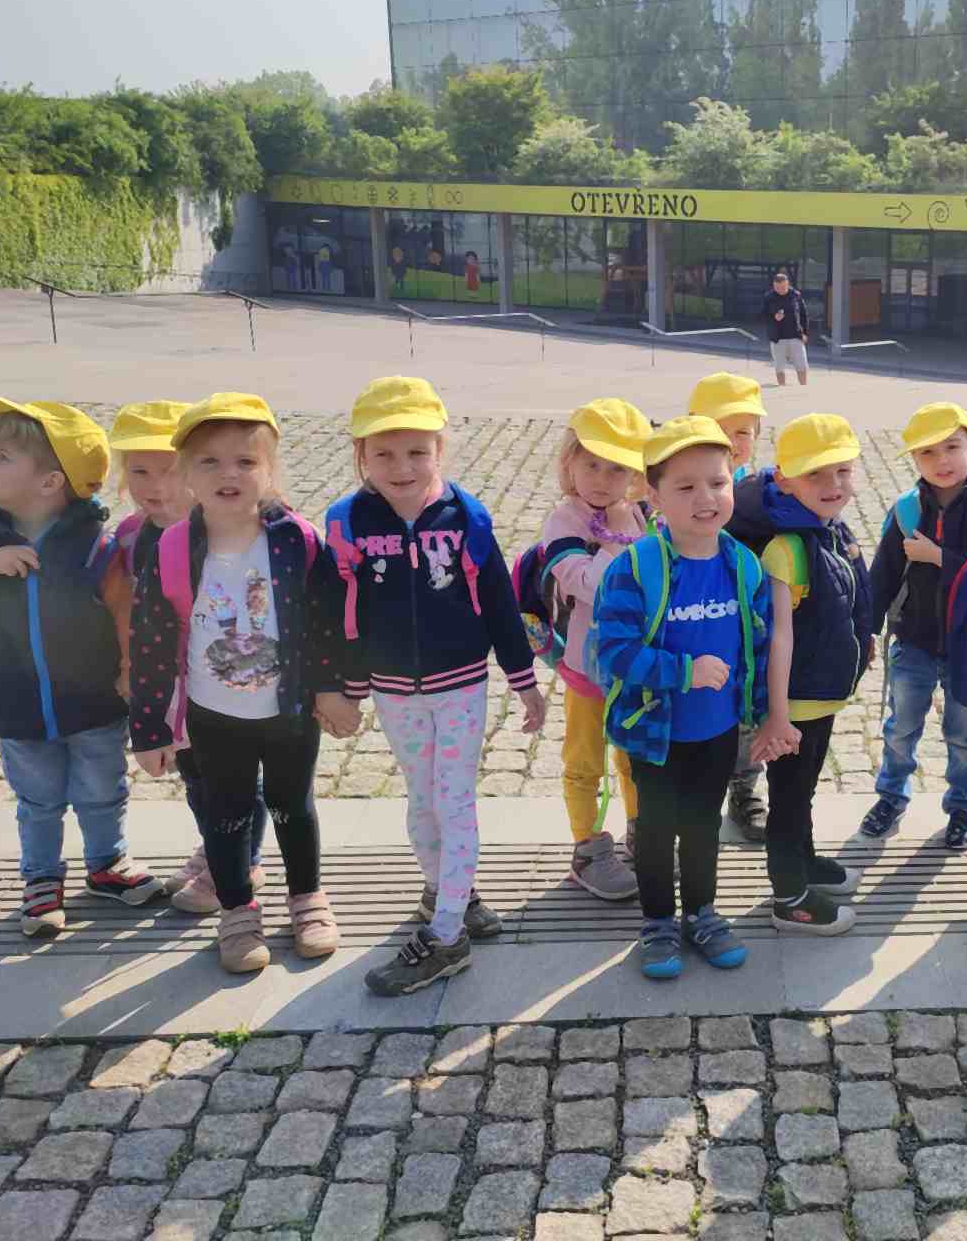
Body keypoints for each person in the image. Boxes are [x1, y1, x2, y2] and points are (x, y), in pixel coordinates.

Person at [321, 378, 546, 997]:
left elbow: (499, 601)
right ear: (362, 455)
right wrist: (343, 686)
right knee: (422, 801)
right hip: (393, 690)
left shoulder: (467, 519)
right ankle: (452, 892)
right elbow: (339, 611)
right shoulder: (347, 524)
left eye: (417, 451)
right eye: (385, 453)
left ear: (440, 450)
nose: (402, 467)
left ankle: (446, 936)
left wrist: (523, 681)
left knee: (454, 799)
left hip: (460, 687)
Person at [129, 394, 348, 974]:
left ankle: (307, 896)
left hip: (288, 712)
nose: (229, 474)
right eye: (210, 462)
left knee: (292, 806)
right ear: (185, 474)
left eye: (245, 461)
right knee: (224, 814)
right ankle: (237, 908)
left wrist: (333, 688)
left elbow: (327, 619)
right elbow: (149, 641)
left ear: (269, 470)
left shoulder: (297, 541)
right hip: (213, 716)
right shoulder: (172, 548)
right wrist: (149, 728)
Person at [0, 394, 158, 940]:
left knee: (102, 789)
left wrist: (130, 671)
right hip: (16, 701)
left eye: (3, 457)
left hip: (94, 702)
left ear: (50, 482)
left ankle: (107, 863)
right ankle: (40, 879)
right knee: (37, 800)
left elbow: (125, 613)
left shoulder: (97, 548)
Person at [593, 416, 774, 979]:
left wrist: (764, 714)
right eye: (686, 486)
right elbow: (614, 654)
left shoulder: (742, 564)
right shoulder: (634, 568)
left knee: (702, 826)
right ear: (655, 496)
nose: (706, 498)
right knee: (655, 831)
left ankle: (702, 913)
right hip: (656, 733)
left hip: (717, 731)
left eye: (717, 483)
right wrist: (684, 671)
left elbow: (758, 646)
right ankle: (657, 923)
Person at [107, 400, 269, 915]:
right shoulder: (132, 535)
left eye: (169, 470)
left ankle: (240, 863)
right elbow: (127, 611)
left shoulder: (218, 532)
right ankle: (217, 846)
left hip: (220, 679)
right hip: (168, 683)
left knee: (234, 777)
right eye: (139, 471)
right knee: (194, 775)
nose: (155, 486)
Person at [728, 414, 872, 936]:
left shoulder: (826, 528)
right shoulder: (786, 549)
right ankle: (789, 896)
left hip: (819, 693)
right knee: (788, 800)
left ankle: (805, 863)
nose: (834, 485)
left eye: (842, 471)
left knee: (803, 791)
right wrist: (777, 716)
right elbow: (779, 638)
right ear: (785, 481)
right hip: (795, 703)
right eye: (817, 475)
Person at [860, 403, 967, 848]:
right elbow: (883, 575)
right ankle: (891, 796)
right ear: (914, 460)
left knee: (963, 736)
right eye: (928, 452)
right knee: (901, 727)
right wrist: (866, 630)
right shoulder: (906, 511)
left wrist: (940, 557)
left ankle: (962, 806)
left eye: (952, 447)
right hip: (914, 640)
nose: (942, 460)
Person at [541, 399, 654, 901]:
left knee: (633, 755)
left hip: (632, 665)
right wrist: (618, 538)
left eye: (617, 469)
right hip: (585, 668)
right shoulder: (564, 521)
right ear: (569, 462)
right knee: (585, 758)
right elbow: (588, 584)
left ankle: (641, 830)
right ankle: (587, 846)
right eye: (592, 464)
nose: (603, 480)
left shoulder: (640, 516)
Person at [689, 371, 770, 840]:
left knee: (747, 711)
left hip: (745, 623)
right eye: (720, 429)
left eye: (743, 431)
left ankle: (744, 789)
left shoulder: (759, 493)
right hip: (694, 622)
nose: (732, 441)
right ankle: (692, 794)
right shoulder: (682, 488)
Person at [762, 271, 810, 386]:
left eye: (783, 287)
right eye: (777, 287)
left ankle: (803, 387)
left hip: (796, 336)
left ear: (788, 284)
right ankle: (782, 388)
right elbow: (762, 316)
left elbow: (804, 315)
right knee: (779, 367)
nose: (780, 290)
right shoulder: (768, 297)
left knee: (802, 365)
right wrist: (774, 317)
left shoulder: (796, 295)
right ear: (773, 285)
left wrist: (805, 333)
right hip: (778, 338)